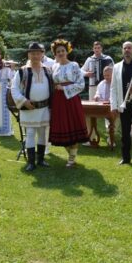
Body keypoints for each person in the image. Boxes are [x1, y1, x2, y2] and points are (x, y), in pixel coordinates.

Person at [10, 42, 53, 171]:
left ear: (42, 54)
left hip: (44, 108)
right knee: (30, 133)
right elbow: (14, 88)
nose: (35, 56)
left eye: (38, 53)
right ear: (28, 55)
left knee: (42, 134)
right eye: (32, 53)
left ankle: (40, 159)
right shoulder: (22, 71)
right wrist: (24, 101)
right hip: (29, 108)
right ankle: (31, 162)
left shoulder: (48, 70)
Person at [49, 39, 89, 167]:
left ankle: (72, 158)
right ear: (55, 54)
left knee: (73, 126)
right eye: (58, 51)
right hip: (58, 101)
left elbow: (81, 84)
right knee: (61, 126)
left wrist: (64, 88)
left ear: (67, 51)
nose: (61, 53)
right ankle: (71, 154)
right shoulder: (54, 67)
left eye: (63, 51)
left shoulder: (74, 65)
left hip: (71, 99)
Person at [93, 65, 119, 142]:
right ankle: (109, 136)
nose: (106, 77)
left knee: (114, 121)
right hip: (104, 107)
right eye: (104, 75)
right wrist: (97, 96)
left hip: (116, 107)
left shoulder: (117, 83)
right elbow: (98, 93)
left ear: (113, 74)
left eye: (108, 75)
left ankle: (111, 137)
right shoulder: (101, 83)